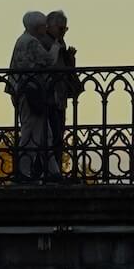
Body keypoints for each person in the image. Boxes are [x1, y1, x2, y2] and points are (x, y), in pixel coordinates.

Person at [8, 10, 55, 183]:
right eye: (44, 26)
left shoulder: (21, 40)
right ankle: (23, 171)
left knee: (44, 132)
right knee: (32, 132)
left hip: (22, 90)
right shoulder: (32, 42)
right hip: (32, 91)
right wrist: (56, 46)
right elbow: (49, 60)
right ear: (37, 27)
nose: (46, 29)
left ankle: (53, 171)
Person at [43, 10, 80, 180]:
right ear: (49, 26)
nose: (64, 31)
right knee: (51, 135)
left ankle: (54, 171)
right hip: (50, 97)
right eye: (61, 28)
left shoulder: (59, 42)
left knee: (57, 136)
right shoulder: (45, 42)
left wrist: (70, 59)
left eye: (66, 29)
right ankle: (50, 172)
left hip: (59, 96)